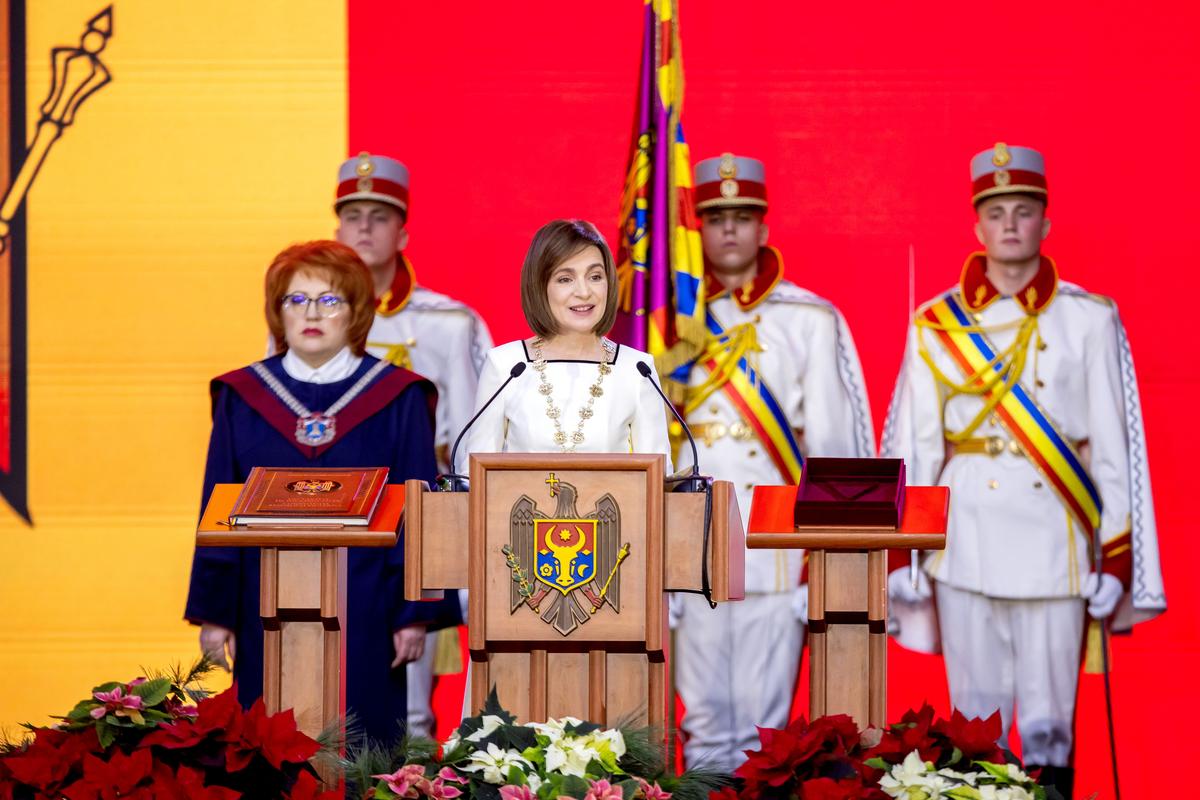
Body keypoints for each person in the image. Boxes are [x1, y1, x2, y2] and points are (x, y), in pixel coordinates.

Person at [882, 143, 1166, 798]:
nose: (1010, 224)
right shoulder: (935, 323)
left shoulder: (1089, 318)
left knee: (1049, 728)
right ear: (977, 226)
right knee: (973, 726)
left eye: (1024, 210)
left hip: (1056, 546)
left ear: (1046, 222)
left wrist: (1116, 557)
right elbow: (917, 449)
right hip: (965, 542)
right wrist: (905, 557)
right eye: (996, 212)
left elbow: (1114, 448)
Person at [185, 240, 460, 746]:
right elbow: (219, 509)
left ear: (356, 312)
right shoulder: (242, 398)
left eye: (330, 300)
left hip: (370, 608)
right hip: (263, 609)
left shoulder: (398, 397)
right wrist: (216, 614)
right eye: (297, 299)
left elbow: (420, 513)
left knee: (366, 748)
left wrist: (414, 613)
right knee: (266, 743)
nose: (312, 313)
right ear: (278, 311)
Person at [671, 153, 875, 771]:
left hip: (776, 547)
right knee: (703, 722)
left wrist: (824, 558)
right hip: (689, 543)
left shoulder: (809, 318)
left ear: (763, 227)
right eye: (716, 218)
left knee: (768, 730)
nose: (729, 229)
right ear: (698, 231)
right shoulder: (664, 320)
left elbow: (836, 449)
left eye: (742, 216)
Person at [333, 152, 491, 736]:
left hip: (418, 519)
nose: (364, 228)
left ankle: (412, 779)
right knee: (325, 691)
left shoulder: (450, 323)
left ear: (403, 233)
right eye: (353, 216)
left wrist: (460, 538)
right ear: (337, 230)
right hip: (332, 516)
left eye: (379, 216)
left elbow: (474, 437)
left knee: (413, 708)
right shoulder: (309, 318)